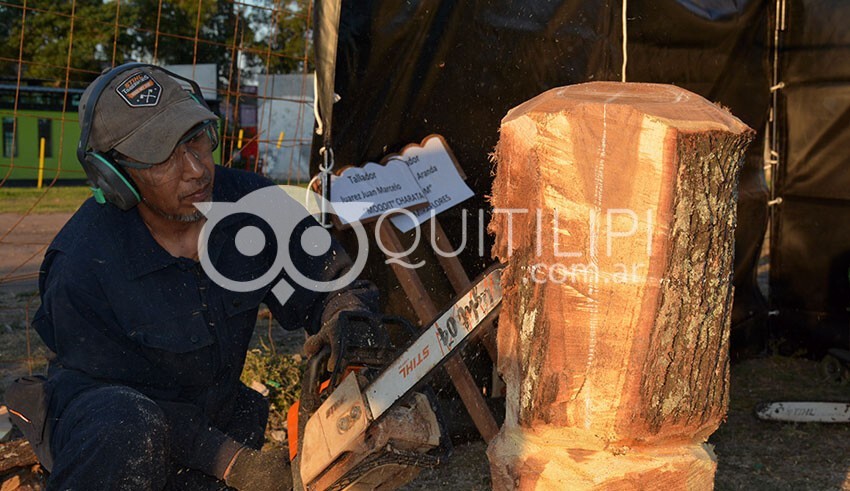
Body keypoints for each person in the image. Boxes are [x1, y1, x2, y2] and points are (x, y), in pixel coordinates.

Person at [17, 64, 377, 490]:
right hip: (112, 435)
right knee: (128, 426)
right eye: (164, 156)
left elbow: (333, 284)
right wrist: (229, 460)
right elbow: (116, 404)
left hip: (218, 418)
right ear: (115, 177)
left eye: (196, 140)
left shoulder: (253, 204)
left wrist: (346, 324)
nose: (195, 169)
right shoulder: (81, 266)